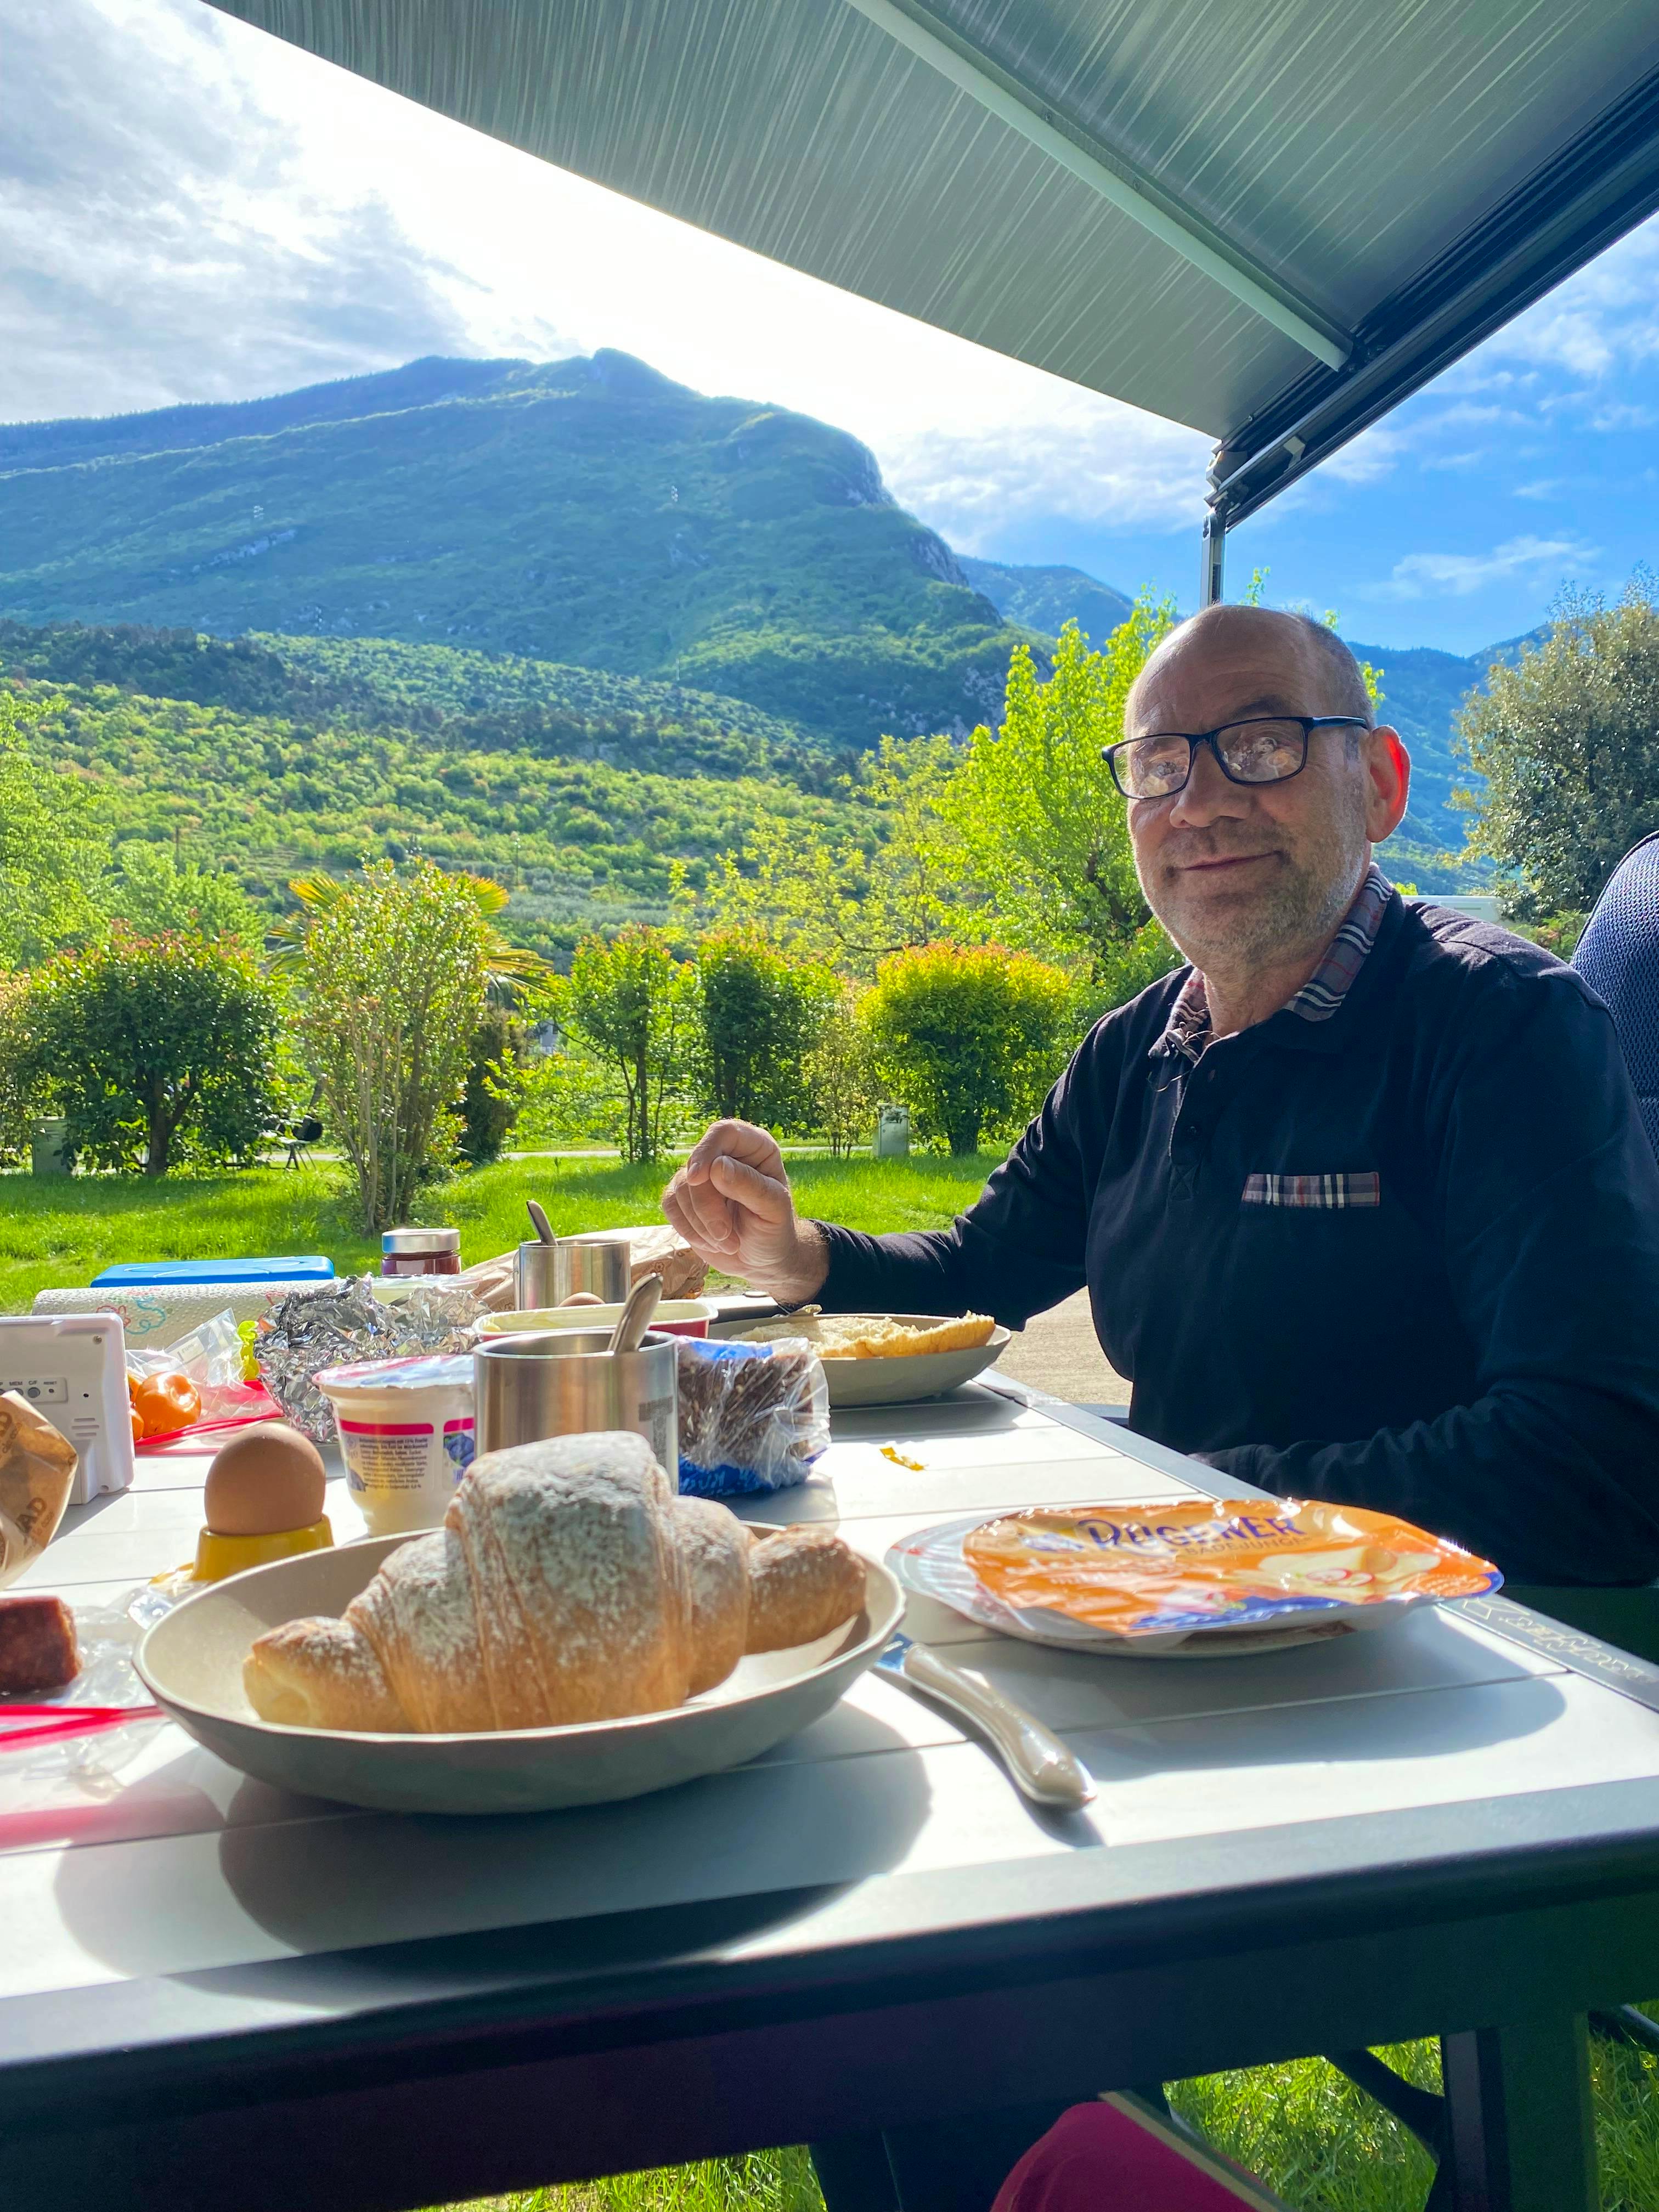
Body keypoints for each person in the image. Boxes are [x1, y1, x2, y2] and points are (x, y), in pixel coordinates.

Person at [665, 603, 1659, 1588]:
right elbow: (980, 1268)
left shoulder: (1507, 1028)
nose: (1199, 801)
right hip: (1159, 1611)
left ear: (1381, 784)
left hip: (1429, 1653)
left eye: (1264, 744)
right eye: (1158, 765)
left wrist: (1187, 1512)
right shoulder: (1131, 1052)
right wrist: (794, 1258)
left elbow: (1591, 1457)